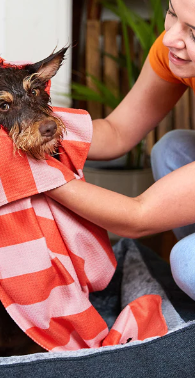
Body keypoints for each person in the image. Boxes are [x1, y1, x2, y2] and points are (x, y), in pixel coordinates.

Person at [47, 0, 195, 300]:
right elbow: (116, 132)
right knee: (171, 150)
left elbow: (138, 216)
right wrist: (37, 122)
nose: (169, 38)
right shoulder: (173, 53)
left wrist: (39, 177)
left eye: (194, 32)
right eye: (172, 12)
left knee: (187, 263)